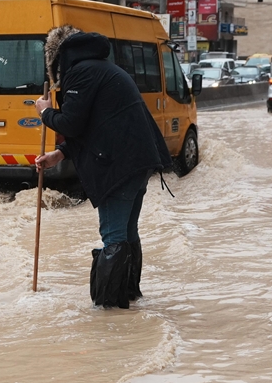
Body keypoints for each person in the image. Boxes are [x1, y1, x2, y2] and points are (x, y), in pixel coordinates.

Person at [34, 25, 173, 309]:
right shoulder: (105, 69)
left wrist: (45, 112)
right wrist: (58, 155)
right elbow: (96, 126)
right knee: (127, 231)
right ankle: (129, 296)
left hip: (117, 165)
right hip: (136, 161)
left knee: (114, 236)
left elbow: (71, 123)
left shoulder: (81, 73)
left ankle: (108, 310)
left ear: (58, 59)